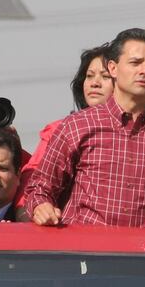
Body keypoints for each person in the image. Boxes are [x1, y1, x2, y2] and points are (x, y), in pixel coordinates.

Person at [25, 28, 145, 230]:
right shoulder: (78, 125)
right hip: (87, 254)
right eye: (135, 62)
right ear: (113, 68)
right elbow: (39, 187)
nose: (144, 71)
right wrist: (41, 207)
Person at [16, 44, 114, 218]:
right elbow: (31, 185)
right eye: (89, 76)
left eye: (105, 76)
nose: (94, 83)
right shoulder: (60, 129)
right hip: (66, 235)